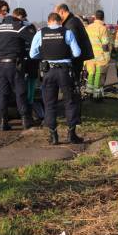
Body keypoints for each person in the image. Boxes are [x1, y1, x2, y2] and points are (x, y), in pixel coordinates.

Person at [29, 12, 82, 145]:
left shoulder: (40, 33)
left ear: (48, 22)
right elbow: (77, 53)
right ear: (60, 22)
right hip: (65, 71)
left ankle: (53, 136)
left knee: (49, 103)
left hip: (48, 72)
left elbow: (32, 54)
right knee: (70, 101)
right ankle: (71, 134)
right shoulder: (67, 32)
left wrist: (44, 56)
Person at [0, 8, 33, 130]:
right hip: (15, 64)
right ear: (18, 18)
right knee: (20, 92)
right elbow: (33, 39)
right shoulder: (19, 27)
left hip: (0, 64)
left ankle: (3, 121)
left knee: (2, 93)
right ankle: (25, 120)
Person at [55, 3, 94, 122]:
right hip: (76, 61)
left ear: (62, 12)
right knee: (72, 89)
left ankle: (74, 117)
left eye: (57, 14)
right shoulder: (72, 21)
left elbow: (73, 46)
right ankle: (74, 116)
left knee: (72, 89)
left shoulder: (71, 24)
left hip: (73, 63)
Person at [84, 10, 110, 101]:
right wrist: (107, 58)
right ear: (103, 17)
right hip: (99, 57)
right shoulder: (103, 28)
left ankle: (89, 93)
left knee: (91, 74)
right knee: (98, 76)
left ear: (95, 17)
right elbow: (105, 45)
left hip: (89, 56)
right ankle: (97, 96)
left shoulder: (88, 27)